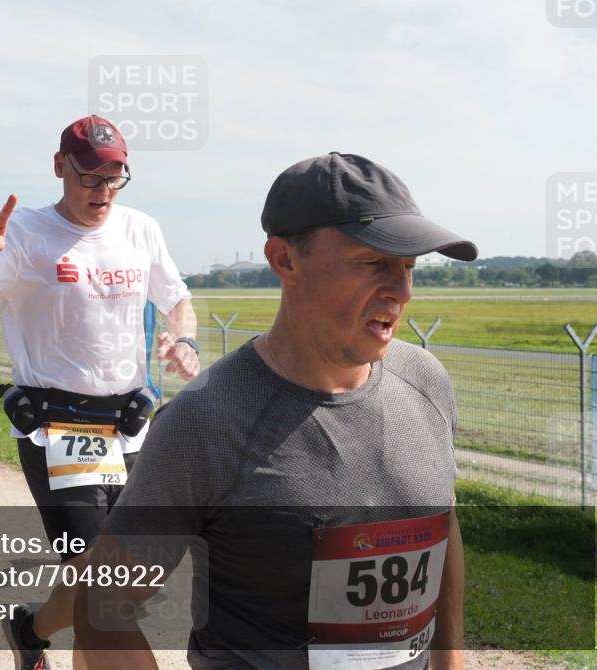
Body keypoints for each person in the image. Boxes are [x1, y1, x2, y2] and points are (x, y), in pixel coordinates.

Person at [75, 152, 475, 670]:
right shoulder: (206, 420)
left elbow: (444, 524)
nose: (401, 291)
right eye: (373, 262)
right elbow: (101, 606)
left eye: (409, 267)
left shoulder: (426, 382)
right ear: (285, 259)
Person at [0, 115, 201, 669]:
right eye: (89, 177)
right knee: (106, 596)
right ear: (59, 168)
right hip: (56, 429)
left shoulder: (140, 229)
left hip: (129, 427)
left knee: (128, 580)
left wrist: (186, 339)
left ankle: (30, 628)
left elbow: (177, 300)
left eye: (114, 178)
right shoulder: (23, 234)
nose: (102, 191)